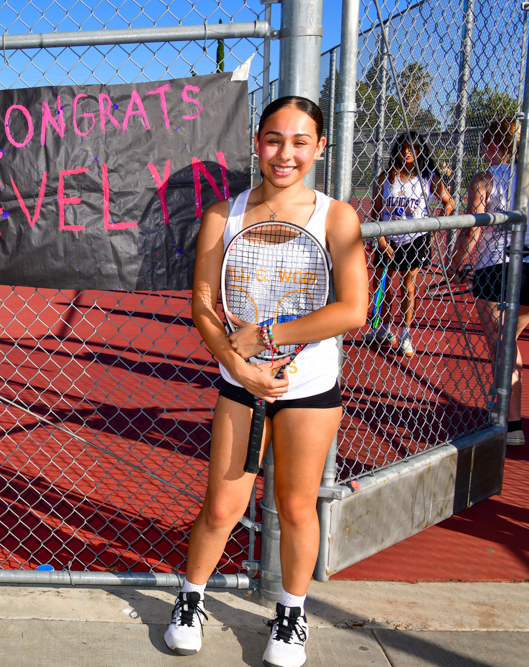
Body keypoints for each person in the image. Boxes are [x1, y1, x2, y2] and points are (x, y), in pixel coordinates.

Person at [164, 96, 367, 666]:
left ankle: (292, 614)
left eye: (300, 142)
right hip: (240, 384)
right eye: (274, 140)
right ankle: (191, 598)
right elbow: (203, 304)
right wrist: (237, 362)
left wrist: (268, 335)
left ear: (320, 147)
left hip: (310, 390)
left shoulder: (337, 217)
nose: (285, 154)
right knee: (221, 508)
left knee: (297, 508)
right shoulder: (222, 216)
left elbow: (353, 310)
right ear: (257, 143)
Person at [452, 119, 528, 446]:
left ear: (495, 145)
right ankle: (507, 413)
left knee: (501, 345)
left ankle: (509, 422)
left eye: (486, 143)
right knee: (509, 342)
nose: (483, 150)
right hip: (526, 264)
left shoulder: (485, 178)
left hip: (496, 265)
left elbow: (474, 227)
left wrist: (457, 261)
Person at [364, 132, 455, 357]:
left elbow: (449, 203)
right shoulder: (387, 176)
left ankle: (405, 334)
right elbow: (376, 209)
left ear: (420, 151)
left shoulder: (428, 178)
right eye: (403, 147)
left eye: (412, 147)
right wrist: (381, 239)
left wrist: (434, 228)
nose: (406, 152)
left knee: (408, 286)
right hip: (388, 237)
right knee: (380, 283)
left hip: (414, 239)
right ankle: (385, 329)